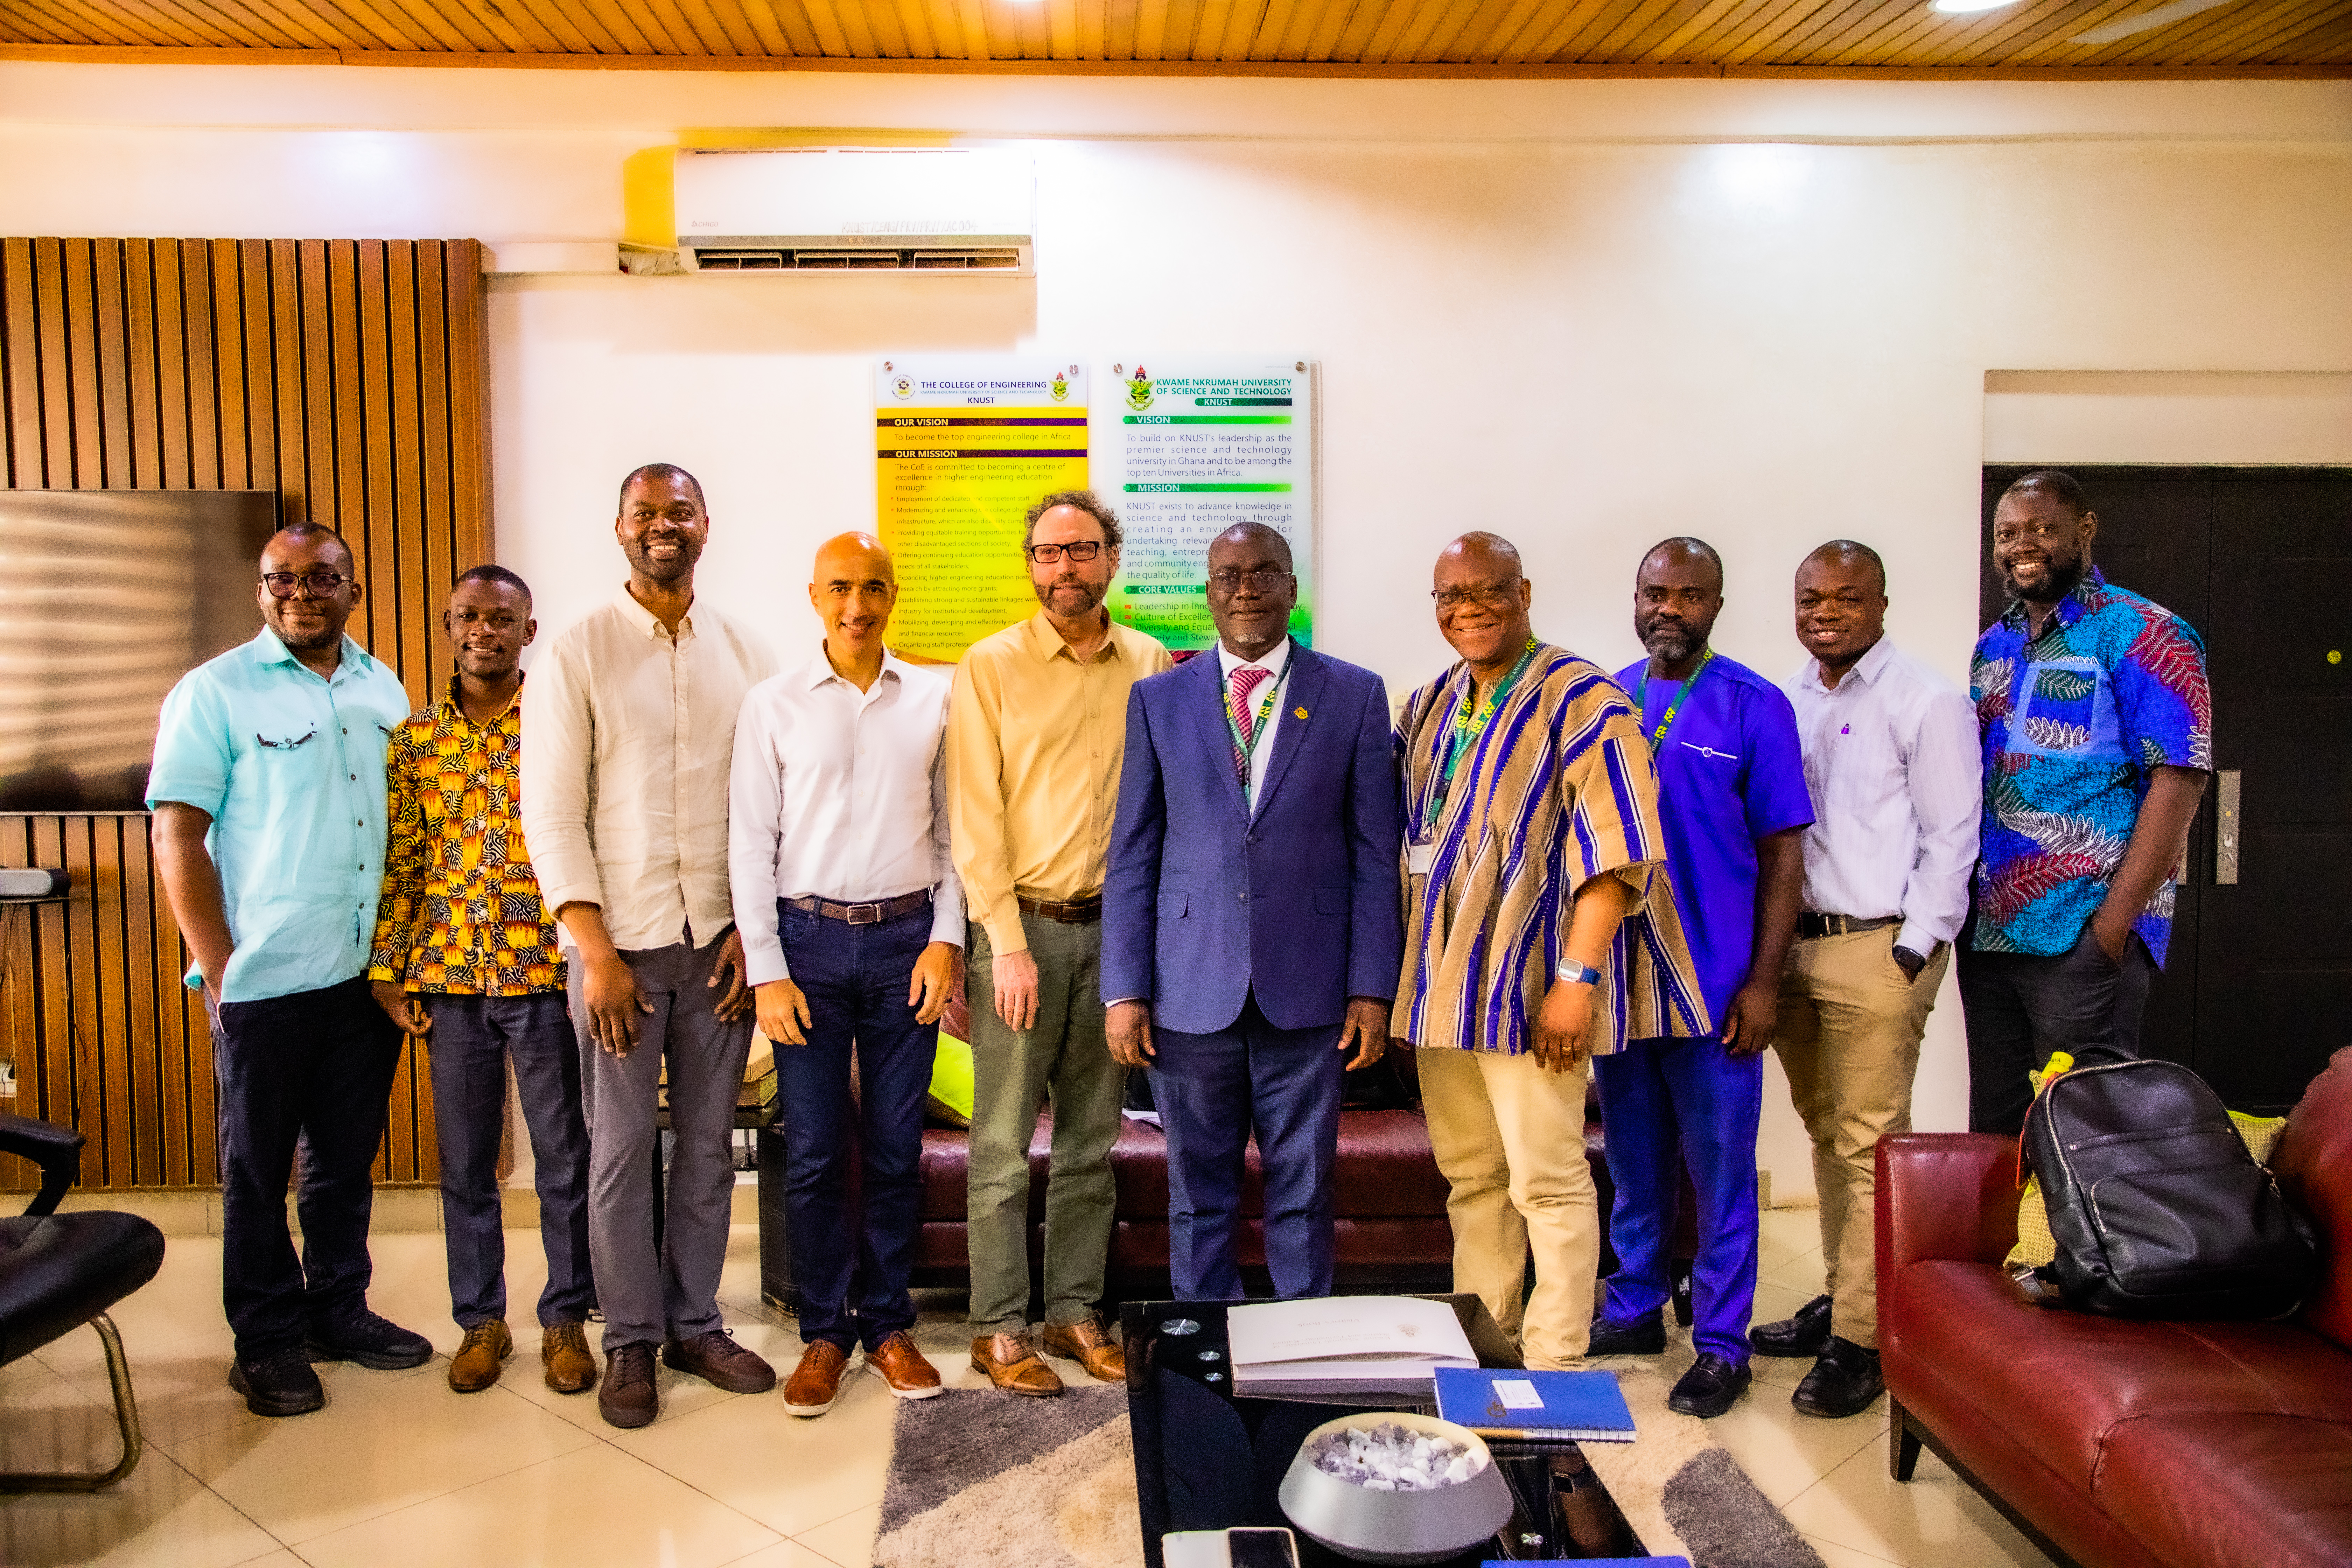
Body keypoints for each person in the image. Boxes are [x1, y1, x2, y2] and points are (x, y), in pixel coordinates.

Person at [1393, 532, 1707, 1373]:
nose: (1469, 607)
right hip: (1443, 991)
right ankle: (1481, 1345)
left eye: (1489, 589)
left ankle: (1554, 1360)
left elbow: (1619, 847)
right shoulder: (1428, 704)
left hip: (1533, 987)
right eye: (1451, 594)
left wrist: (1577, 979)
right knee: (1473, 1180)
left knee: (1549, 1183)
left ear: (1525, 591)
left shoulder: (1584, 696)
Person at [149, 522, 433, 1418]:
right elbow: (177, 834)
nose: (301, 593)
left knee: (344, 1165)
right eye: (282, 579)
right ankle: (265, 1340)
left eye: (322, 578)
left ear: (354, 588)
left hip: (363, 980)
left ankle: (336, 1310)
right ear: (262, 590)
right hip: (263, 983)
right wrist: (218, 967)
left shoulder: (383, 687)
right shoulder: (215, 692)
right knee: (257, 1173)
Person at [520, 463, 778, 1429]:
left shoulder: (747, 653)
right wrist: (593, 953)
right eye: (645, 514)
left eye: (679, 512)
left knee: (710, 1150)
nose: (662, 526)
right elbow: (549, 811)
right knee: (624, 1152)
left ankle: (695, 1323)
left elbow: (768, 810)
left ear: (706, 524)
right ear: (619, 528)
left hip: (716, 950)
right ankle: (629, 1338)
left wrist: (757, 939)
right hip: (618, 955)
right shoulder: (578, 653)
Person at [1103, 522, 1402, 1302]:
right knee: (1198, 1195)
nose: (1246, 587)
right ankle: (1208, 1355)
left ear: (1292, 588)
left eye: (1264, 572)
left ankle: (1302, 1355)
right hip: (1186, 993)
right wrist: (1124, 990)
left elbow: (1377, 853)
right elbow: (1133, 851)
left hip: (1309, 994)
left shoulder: (1355, 695)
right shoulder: (1157, 699)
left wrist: (1373, 987)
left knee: (1304, 1194)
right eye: (1229, 574)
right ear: (1209, 592)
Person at [730, 533, 962, 1417]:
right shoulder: (773, 704)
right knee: (821, 1149)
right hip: (809, 948)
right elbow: (750, 842)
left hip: (909, 940)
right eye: (839, 588)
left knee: (898, 1149)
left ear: (894, 594)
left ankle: (889, 1324)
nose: (856, 605)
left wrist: (946, 939)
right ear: (814, 595)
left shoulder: (935, 700)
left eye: (871, 588)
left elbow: (955, 834)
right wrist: (768, 970)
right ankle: (826, 1331)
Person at [947, 489, 1171, 1395]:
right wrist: (1004, 943)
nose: (1063, 570)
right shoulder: (990, 666)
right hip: (1019, 933)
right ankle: (1000, 1325)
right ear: (1031, 566)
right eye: (1047, 554)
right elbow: (974, 814)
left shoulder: (1152, 663)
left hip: (1114, 936)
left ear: (1110, 561)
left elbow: (1163, 812)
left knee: (1091, 1140)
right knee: (1001, 1145)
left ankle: (1074, 1311)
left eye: (1080, 552)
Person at [1750, 539, 1979, 1419]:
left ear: (1882, 603)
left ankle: (1866, 1339)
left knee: (1871, 1146)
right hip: (1798, 948)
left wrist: (1915, 947)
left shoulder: (1928, 700)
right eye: (1811, 598)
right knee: (1825, 1133)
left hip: (1878, 948)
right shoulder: (1791, 697)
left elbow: (1954, 834)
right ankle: (1849, 1299)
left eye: (1846, 598)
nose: (1826, 613)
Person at [1587, 538, 1812, 1419]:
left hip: (1718, 988)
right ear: (1634, 597)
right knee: (1636, 1164)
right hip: (1623, 982)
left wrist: (1766, 981)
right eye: (1655, 593)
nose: (1668, 609)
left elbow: (1784, 852)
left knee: (1721, 1174)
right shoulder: (1605, 699)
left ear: (1716, 603)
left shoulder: (1754, 705)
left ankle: (1722, 1344)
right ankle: (1638, 1305)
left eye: (1689, 595)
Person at [365, 565, 596, 1398]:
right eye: (469, 616)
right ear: (448, 623)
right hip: (451, 979)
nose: (484, 631)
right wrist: (390, 968)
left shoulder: (561, 726)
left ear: (529, 631)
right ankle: (481, 1321)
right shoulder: (415, 739)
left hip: (545, 973)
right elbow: (405, 860)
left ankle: (567, 1316)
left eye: (503, 619)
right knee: (466, 1163)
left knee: (565, 1156)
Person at [1961, 470, 2211, 1135]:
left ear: (2085, 530)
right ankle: (2009, 1244)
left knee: (2086, 1130)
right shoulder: (1994, 645)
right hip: (1990, 933)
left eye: (2042, 528)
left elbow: (2181, 779)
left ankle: (2086, 1247)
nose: (2023, 545)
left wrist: (2112, 928)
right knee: (1999, 1127)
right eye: (2007, 533)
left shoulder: (2145, 632)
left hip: (2084, 928)